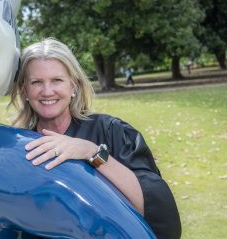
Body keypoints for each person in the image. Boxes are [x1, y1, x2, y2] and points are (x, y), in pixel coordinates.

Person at [9, 38, 181, 239]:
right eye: (36, 82)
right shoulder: (20, 147)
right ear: (24, 90)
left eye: (57, 80)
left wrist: (91, 152)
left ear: (74, 85)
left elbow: (156, 211)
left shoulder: (111, 131)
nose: (47, 91)